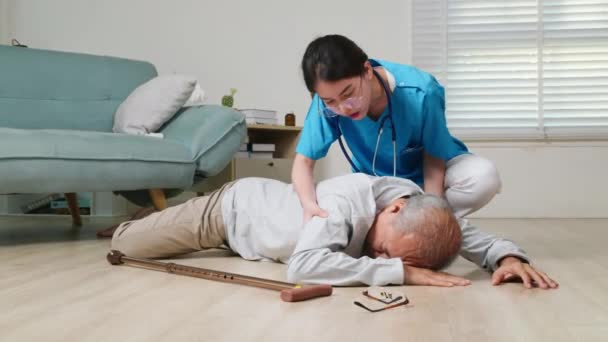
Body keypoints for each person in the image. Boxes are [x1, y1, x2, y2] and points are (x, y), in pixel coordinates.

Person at [110, 174, 557, 289]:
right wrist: (401, 273)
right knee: (127, 244)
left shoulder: (425, 212)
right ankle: (142, 218)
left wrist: (509, 259)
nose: (381, 258)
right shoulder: (347, 200)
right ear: (393, 208)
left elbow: (479, 240)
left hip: (249, 244)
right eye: (383, 250)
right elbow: (302, 266)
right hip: (229, 213)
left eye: (390, 259)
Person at [293, 34, 501, 223]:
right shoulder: (325, 104)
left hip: (429, 177)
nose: (343, 108)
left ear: (367, 70)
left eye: (348, 93)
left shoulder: (422, 90)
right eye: (330, 101)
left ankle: (413, 222)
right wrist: (308, 205)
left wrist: (430, 209)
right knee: (313, 199)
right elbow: (303, 161)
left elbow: (434, 158)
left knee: (483, 177)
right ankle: (395, 223)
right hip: (378, 184)